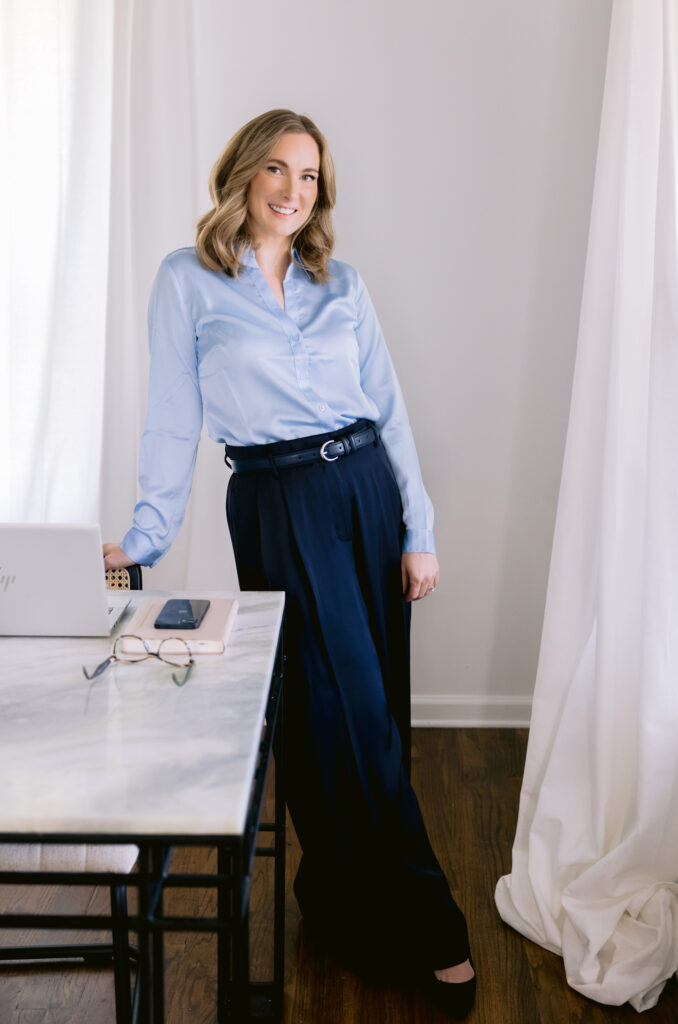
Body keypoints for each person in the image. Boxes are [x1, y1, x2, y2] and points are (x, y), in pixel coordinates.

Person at [104, 108, 476, 1018]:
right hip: (276, 503)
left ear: (321, 194)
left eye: (308, 177)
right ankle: (430, 923)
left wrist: (418, 529)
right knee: (336, 710)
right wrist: (143, 540)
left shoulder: (339, 283)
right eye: (276, 168)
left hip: (365, 492)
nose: (291, 189)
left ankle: (338, 901)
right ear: (242, 174)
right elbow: (172, 419)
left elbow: (387, 410)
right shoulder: (186, 281)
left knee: (369, 706)